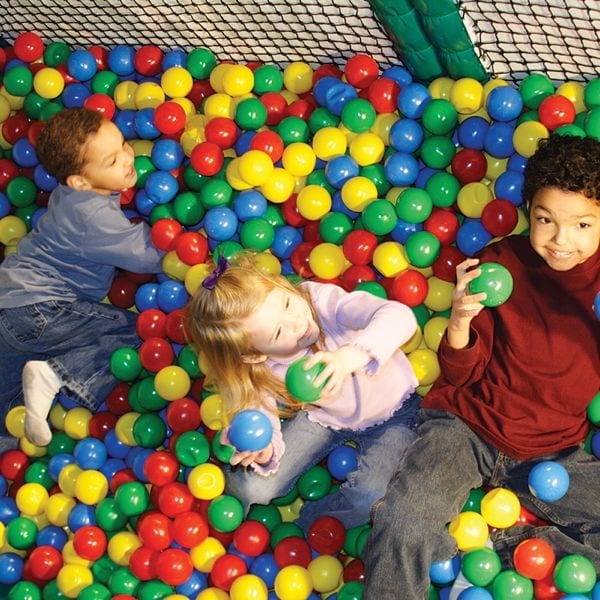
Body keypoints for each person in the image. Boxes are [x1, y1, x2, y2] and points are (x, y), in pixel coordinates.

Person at [363, 133, 600, 598]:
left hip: (554, 450)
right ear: (528, 210)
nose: (560, 240)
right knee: (402, 519)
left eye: (583, 226)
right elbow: (460, 374)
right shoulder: (500, 264)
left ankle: (520, 546)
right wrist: (459, 322)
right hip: (467, 427)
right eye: (545, 220)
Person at [184, 252, 421, 531]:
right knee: (252, 490)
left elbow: (400, 316)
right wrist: (263, 450)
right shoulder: (260, 371)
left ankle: (312, 525)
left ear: (283, 286)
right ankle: (243, 510)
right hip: (326, 419)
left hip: (394, 411)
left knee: (369, 497)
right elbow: (260, 417)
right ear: (255, 356)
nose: (296, 321)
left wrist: (352, 355)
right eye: (277, 333)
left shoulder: (321, 303)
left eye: (286, 303)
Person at [0, 108, 164, 448]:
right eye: (111, 161)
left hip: (10, 301)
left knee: (6, 405)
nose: (127, 159)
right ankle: (55, 373)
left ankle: (12, 435)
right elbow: (151, 253)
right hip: (41, 307)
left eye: (123, 145)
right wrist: (188, 234)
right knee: (139, 332)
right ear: (81, 181)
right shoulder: (92, 216)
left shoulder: (71, 194)